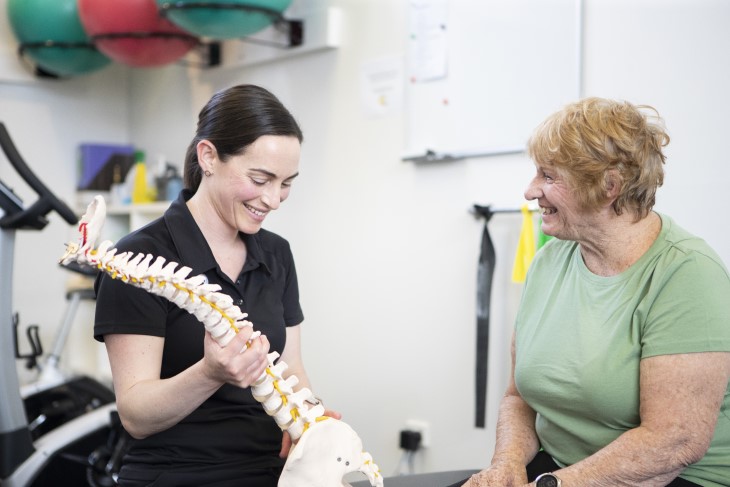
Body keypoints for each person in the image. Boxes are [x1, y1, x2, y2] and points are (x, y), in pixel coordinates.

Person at [460, 97, 730, 487]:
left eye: (548, 176)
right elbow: (519, 398)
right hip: (557, 472)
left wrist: (553, 484)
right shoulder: (549, 261)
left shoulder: (688, 274)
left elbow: (673, 443)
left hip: (668, 480)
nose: (530, 191)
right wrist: (506, 466)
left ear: (609, 187)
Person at [94, 84, 339, 487]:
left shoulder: (276, 254)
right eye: (260, 179)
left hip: (270, 472)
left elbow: (291, 366)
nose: (274, 200)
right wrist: (210, 372)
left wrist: (308, 418)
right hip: (178, 474)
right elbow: (136, 416)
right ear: (208, 157)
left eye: (286, 183)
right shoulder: (138, 260)